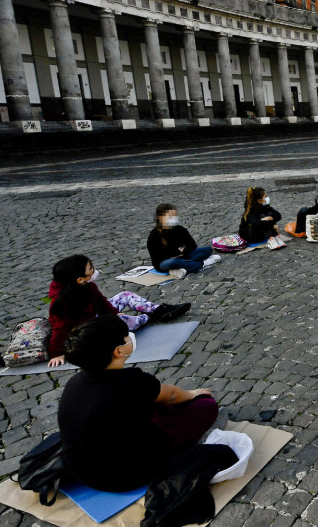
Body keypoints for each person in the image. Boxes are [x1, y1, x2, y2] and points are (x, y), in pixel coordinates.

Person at [57, 316, 219, 492]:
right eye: (127, 335)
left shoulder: (74, 382)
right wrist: (192, 394)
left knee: (146, 408)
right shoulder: (133, 381)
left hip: (81, 472)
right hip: (130, 475)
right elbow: (172, 395)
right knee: (206, 404)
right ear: (118, 351)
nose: (130, 337)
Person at [47, 255, 189, 368]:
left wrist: (113, 313)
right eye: (90, 269)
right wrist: (56, 353)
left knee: (125, 296)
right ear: (79, 279)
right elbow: (59, 329)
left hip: (95, 318)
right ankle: (149, 317)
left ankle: (158, 310)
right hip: (86, 331)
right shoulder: (62, 303)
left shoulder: (88, 285)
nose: (94, 270)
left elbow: (101, 302)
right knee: (121, 323)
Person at [148, 204, 220, 275]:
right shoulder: (154, 236)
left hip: (184, 256)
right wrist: (179, 250)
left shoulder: (179, 229)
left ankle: (182, 269)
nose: (174, 218)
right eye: (171, 217)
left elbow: (192, 245)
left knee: (208, 250)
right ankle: (202, 264)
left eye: (175, 216)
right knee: (173, 262)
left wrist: (181, 250)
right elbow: (159, 256)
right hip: (165, 263)